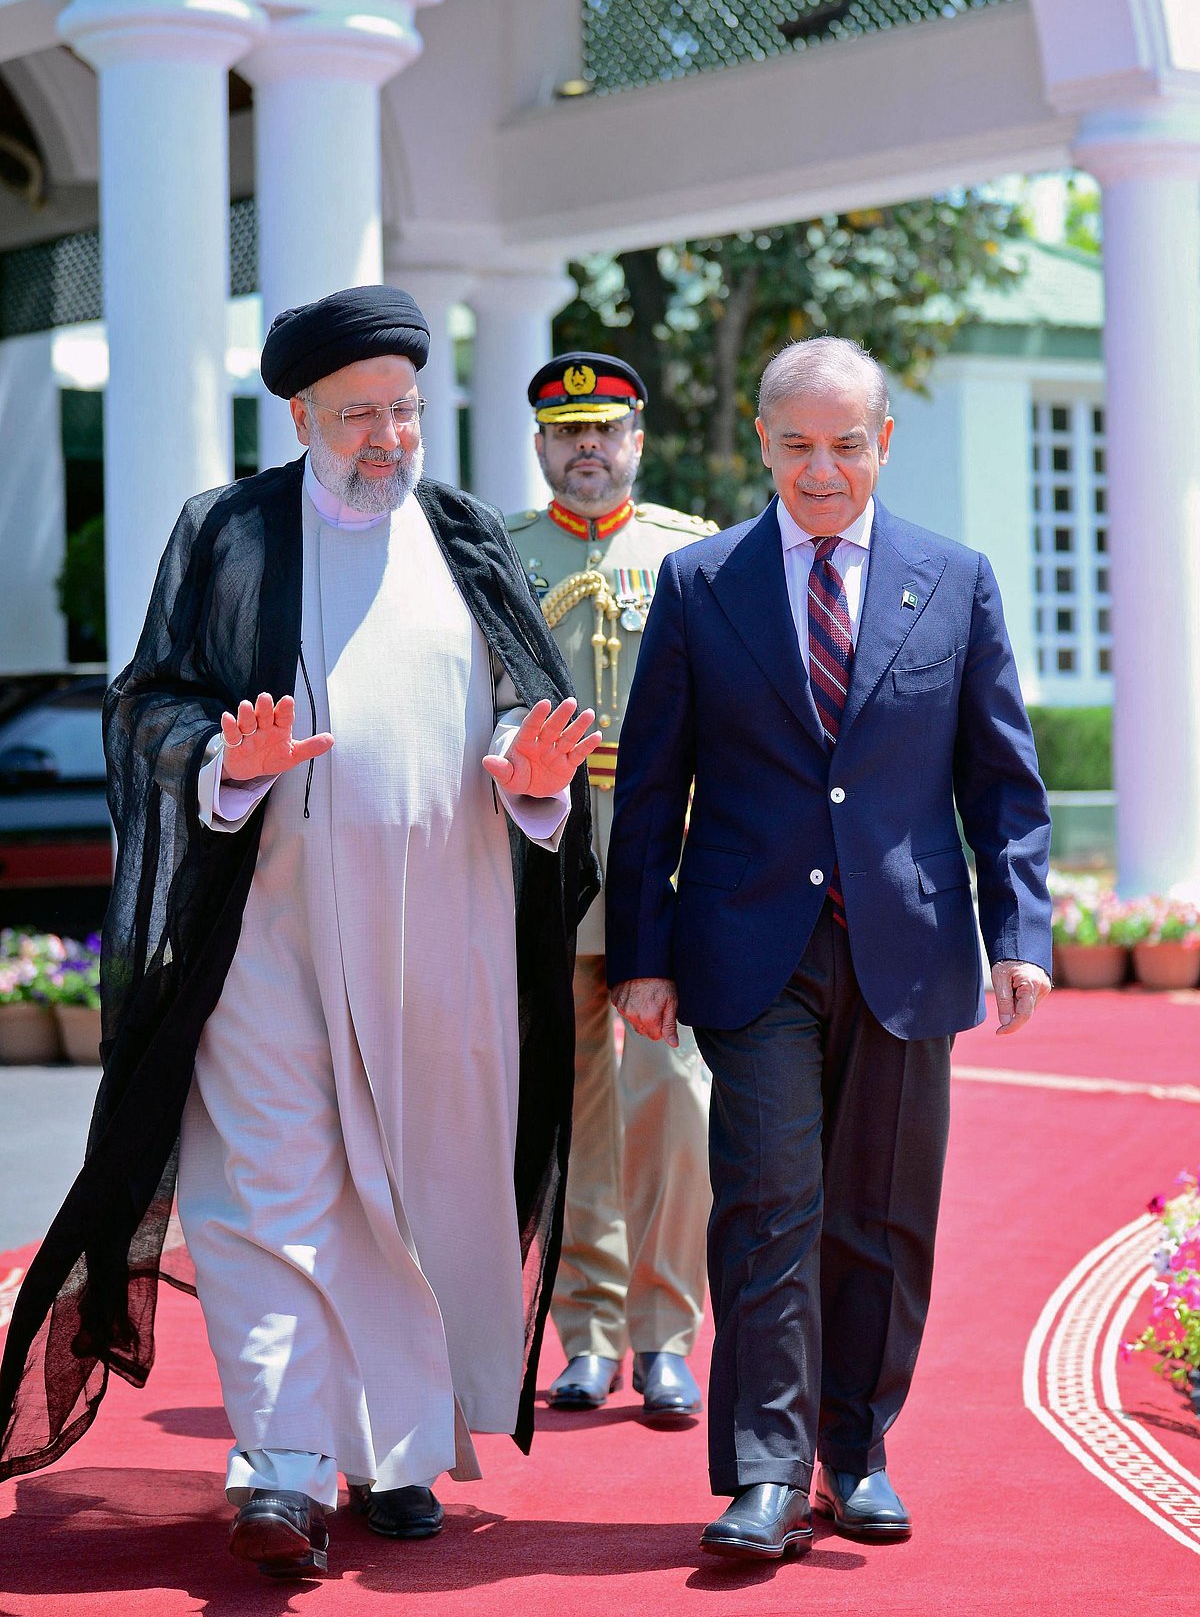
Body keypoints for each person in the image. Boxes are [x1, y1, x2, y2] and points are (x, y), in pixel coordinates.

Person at [0, 286, 601, 1581]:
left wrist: (531, 765)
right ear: (298, 414)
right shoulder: (227, 533)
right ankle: (281, 1466)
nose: (388, 437)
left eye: (403, 410)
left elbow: (525, 701)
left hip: (442, 940)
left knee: (413, 1193)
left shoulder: (463, 534)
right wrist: (223, 750)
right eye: (357, 414)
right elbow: (147, 695)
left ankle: (396, 1452)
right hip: (264, 934)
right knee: (270, 1192)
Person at [606, 336, 1052, 1560]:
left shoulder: (953, 580)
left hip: (905, 945)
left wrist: (1020, 934)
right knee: (765, 1202)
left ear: (884, 444)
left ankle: (857, 1454)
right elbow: (652, 786)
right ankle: (763, 1468)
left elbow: (1002, 782)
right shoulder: (701, 585)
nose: (821, 467)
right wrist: (640, 951)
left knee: (882, 1211)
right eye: (797, 442)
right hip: (751, 952)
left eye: (845, 442)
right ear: (761, 442)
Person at [506, 352, 714, 1424]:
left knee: (674, 1098)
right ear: (540, 445)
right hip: (545, 858)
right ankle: (585, 1332)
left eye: (606, 430)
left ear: (638, 439)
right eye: (567, 432)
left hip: (663, 860)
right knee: (577, 1109)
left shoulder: (691, 550)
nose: (588, 449)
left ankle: (666, 1332)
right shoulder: (501, 554)